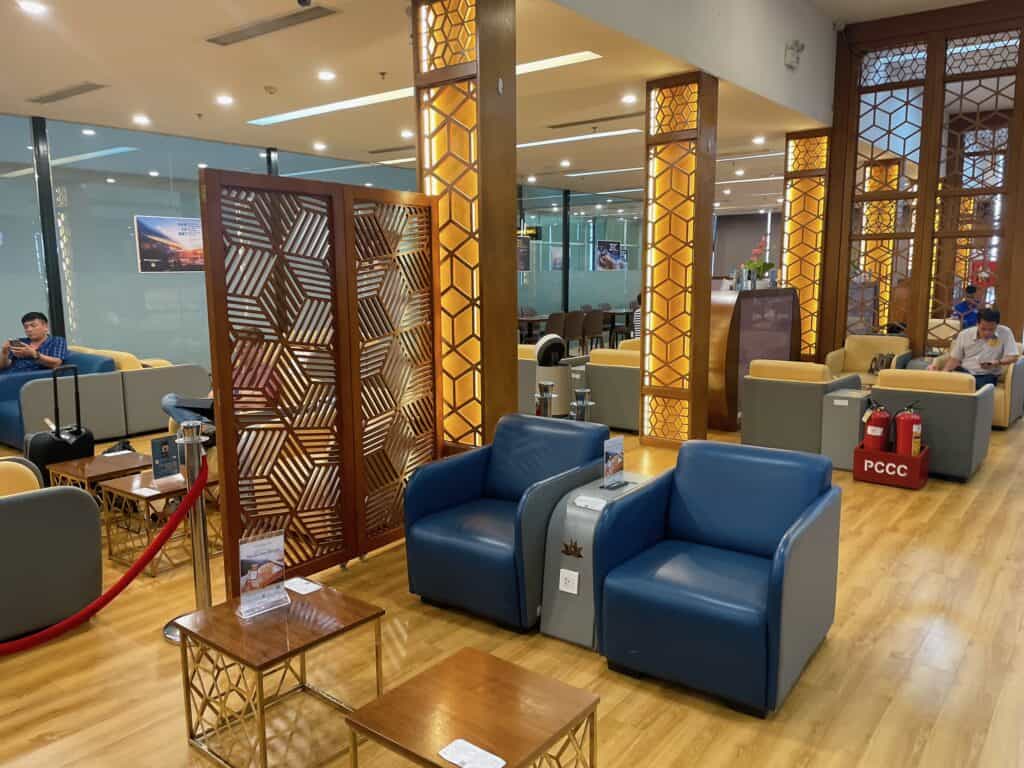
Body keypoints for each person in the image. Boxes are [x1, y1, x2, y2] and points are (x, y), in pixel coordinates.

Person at [931, 307, 1019, 389]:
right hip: (964, 372)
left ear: (997, 325)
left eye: (991, 329)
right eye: (983, 329)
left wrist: (997, 362)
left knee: (971, 385)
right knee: (945, 383)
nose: (987, 333)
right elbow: (955, 359)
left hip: (987, 375)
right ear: (977, 324)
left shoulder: (1005, 332)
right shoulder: (965, 334)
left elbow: (1013, 357)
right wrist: (943, 375)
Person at [0, 311, 67, 373]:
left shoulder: (57, 341)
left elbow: (56, 363)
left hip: (36, 377)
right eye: (26, 327)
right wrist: (4, 353)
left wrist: (34, 354)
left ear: (45, 326)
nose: (29, 329)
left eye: (33, 326)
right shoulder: (21, 342)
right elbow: (4, 366)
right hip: (11, 375)